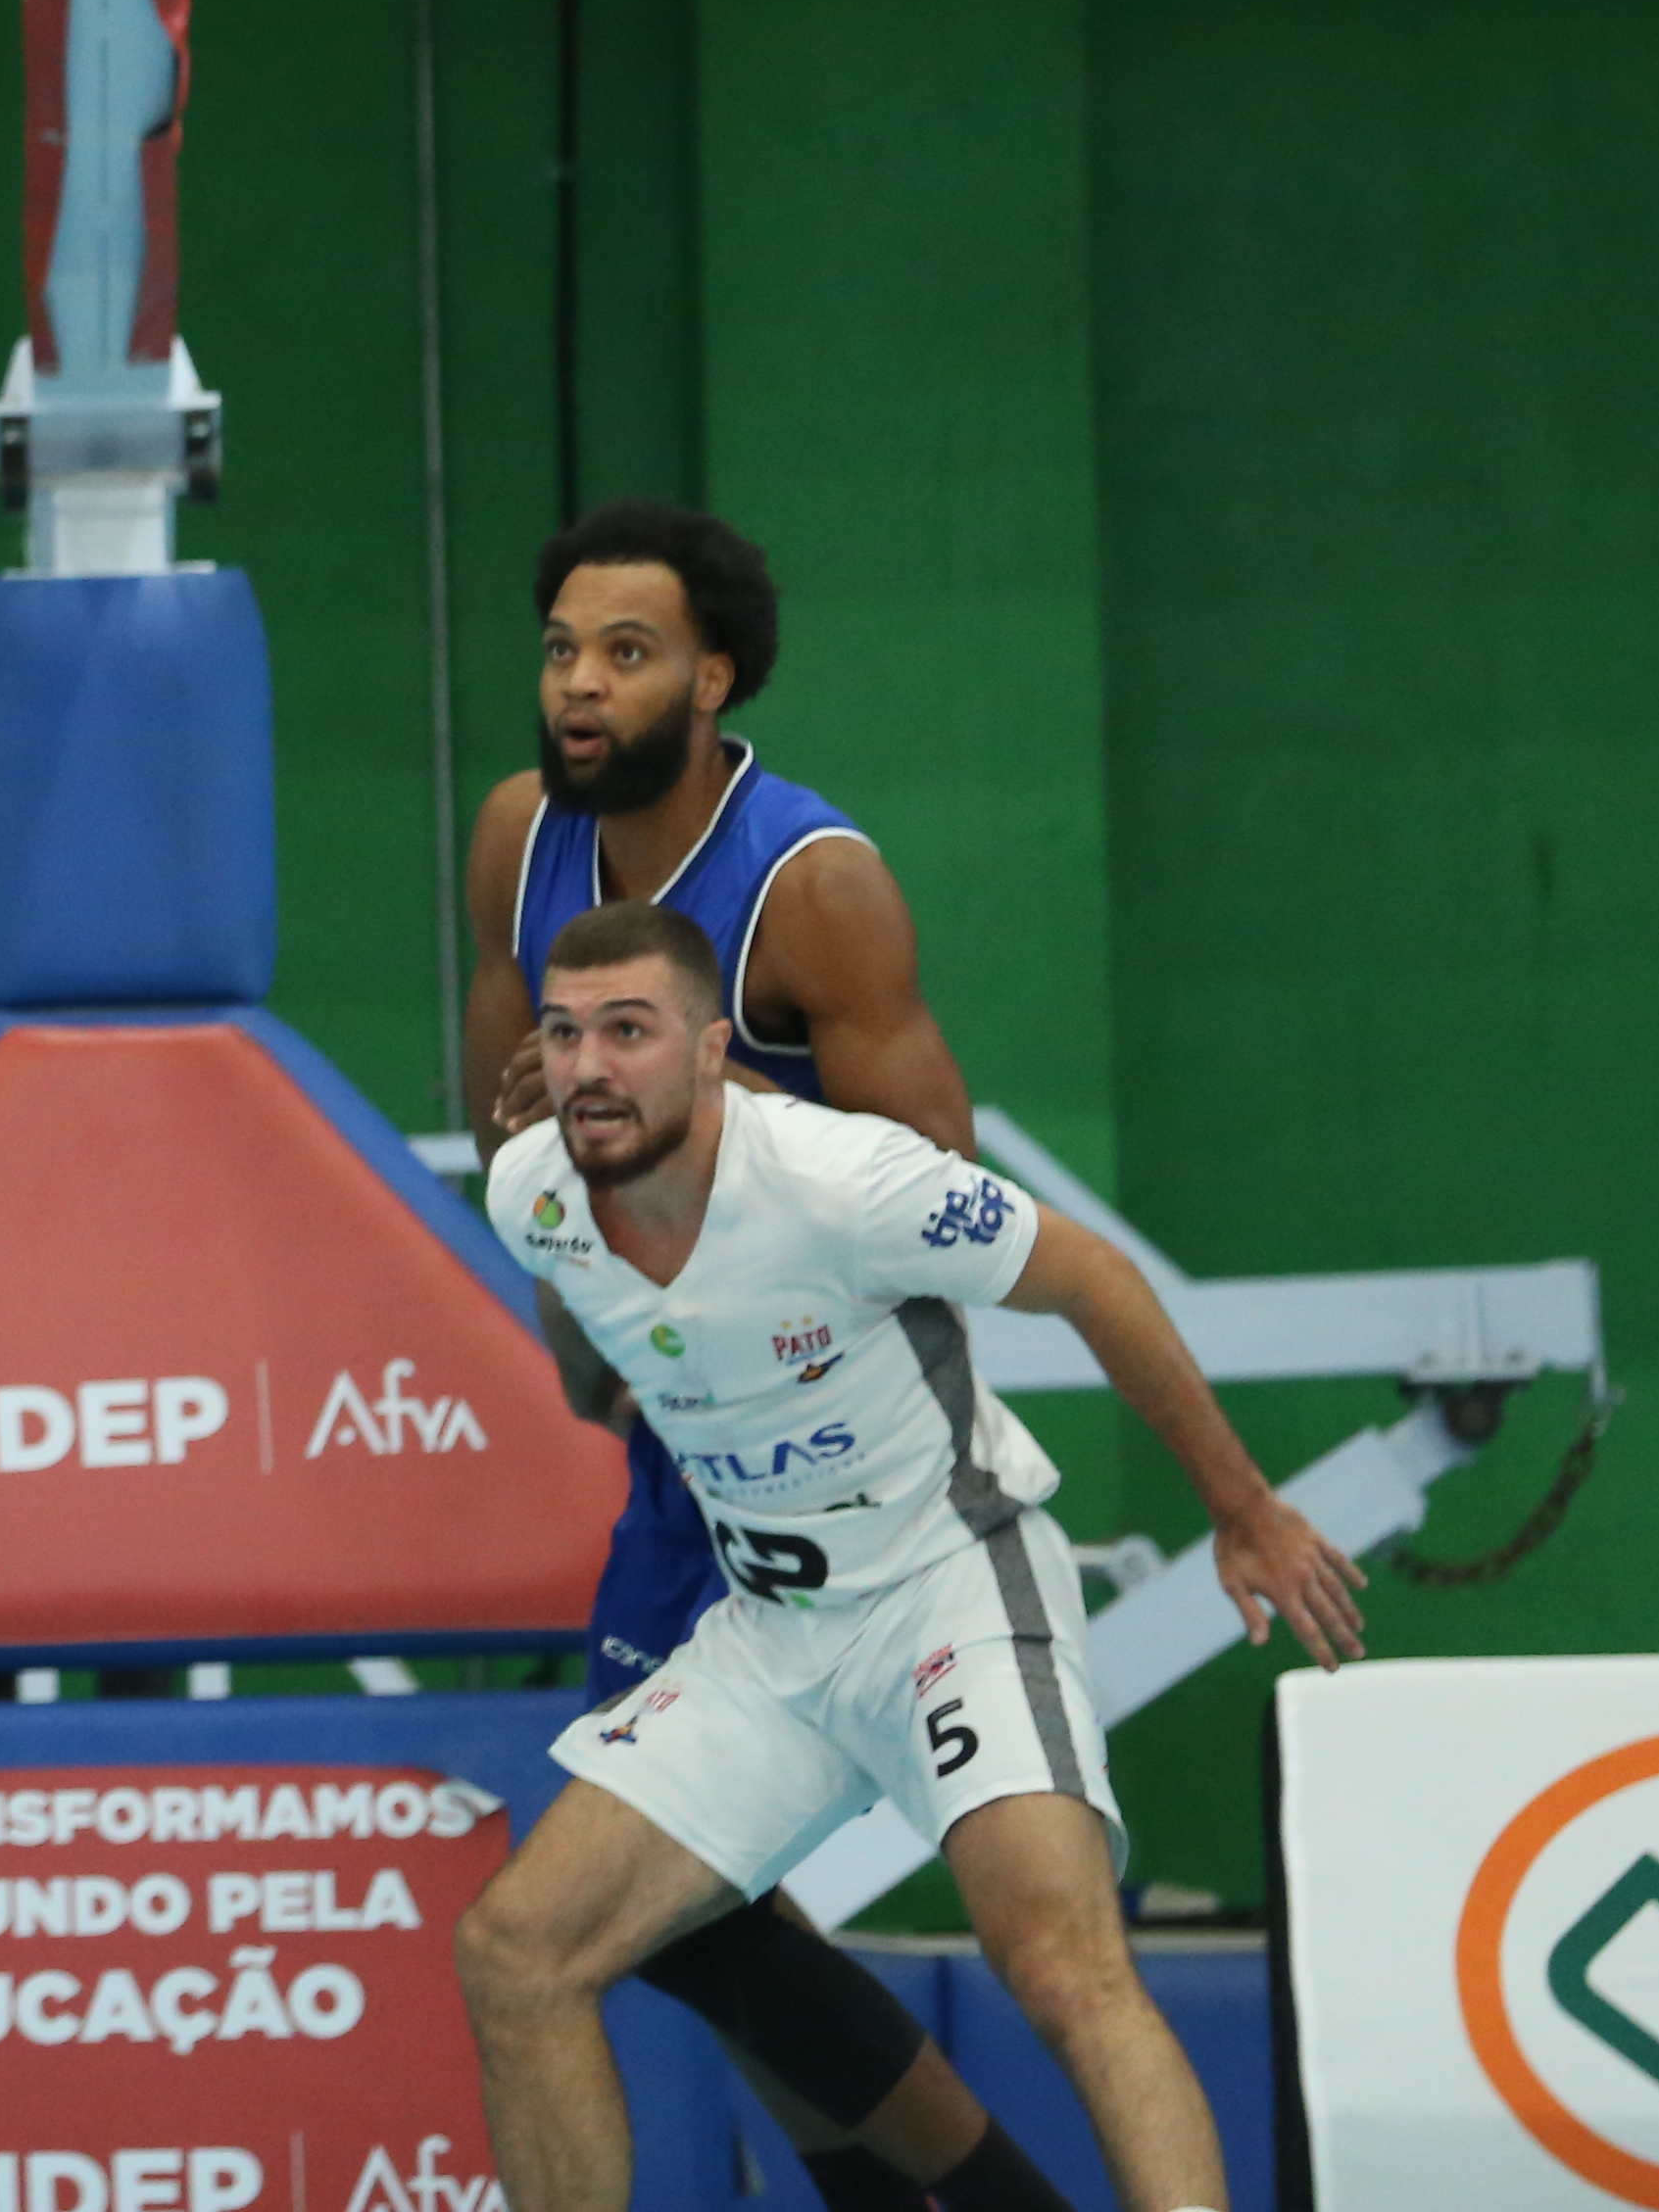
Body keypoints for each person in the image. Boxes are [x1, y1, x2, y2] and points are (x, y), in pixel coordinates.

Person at [459, 902, 1359, 2212]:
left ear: (713, 1052)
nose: (590, 1066)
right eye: (565, 1032)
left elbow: (1094, 1278)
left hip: (951, 1585)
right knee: (516, 1952)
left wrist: (1244, 1509)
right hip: (770, 1633)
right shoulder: (533, 1193)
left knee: (1058, 1963)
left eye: (630, 1031)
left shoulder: (847, 1183)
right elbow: (599, 1333)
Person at [462, 501, 1065, 2212]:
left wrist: (714, 1123)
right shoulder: (519, 837)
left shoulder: (814, 883)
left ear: (713, 678)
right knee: (684, 1910)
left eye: (625, 652)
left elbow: (945, 1190)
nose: (578, 684)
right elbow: (503, 1108)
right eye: (562, 647)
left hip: (837, 1430)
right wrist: (582, 1346)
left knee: (651, 1915)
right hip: (675, 1421)